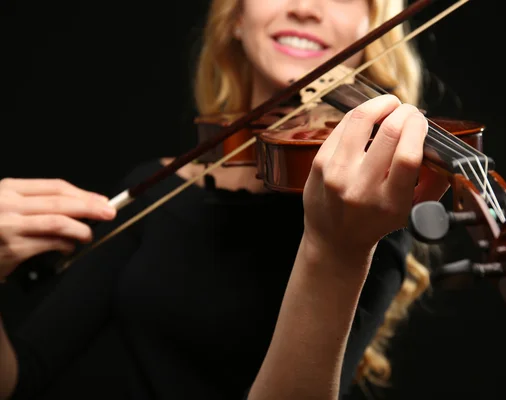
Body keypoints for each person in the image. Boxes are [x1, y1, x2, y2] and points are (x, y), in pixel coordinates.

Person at [0, 0, 449, 398]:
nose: (306, 7)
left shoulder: (366, 213)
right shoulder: (160, 188)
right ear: (236, 16)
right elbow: (21, 379)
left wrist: (335, 251)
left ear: (371, 27)